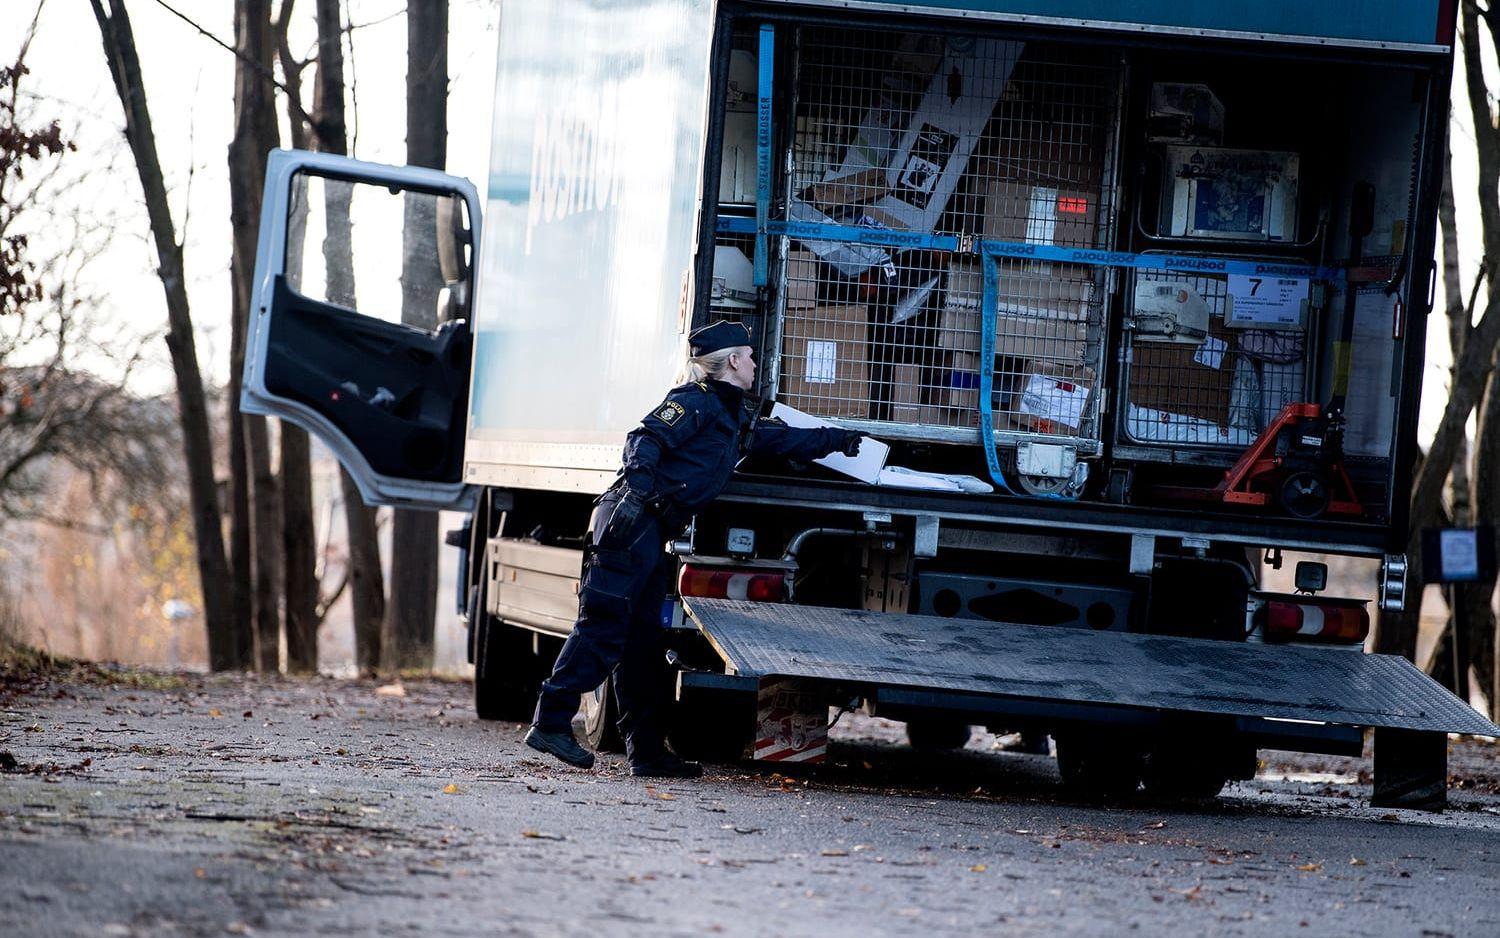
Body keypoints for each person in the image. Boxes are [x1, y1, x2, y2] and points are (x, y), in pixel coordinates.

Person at [524, 320, 863, 778]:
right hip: (630, 523)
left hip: (651, 529)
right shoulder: (694, 402)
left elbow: (779, 438)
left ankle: (645, 752)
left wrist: (838, 440)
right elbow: (643, 439)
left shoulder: (732, 416)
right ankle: (550, 721)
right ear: (733, 362)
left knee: (644, 645)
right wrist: (641, 492)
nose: (756, 363)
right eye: (750, 354)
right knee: (603, 628)